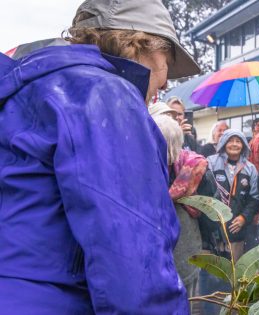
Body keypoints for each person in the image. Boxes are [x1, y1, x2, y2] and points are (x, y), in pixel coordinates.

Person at [0, 0, 200, 313]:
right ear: (142, 45)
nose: (165, 80)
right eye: (168, 60)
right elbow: (134, 261)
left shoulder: (28, 91)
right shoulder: (104, 94)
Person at [148, 102, 216, 298]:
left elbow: (209, 206)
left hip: (186, 245)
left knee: (184, 296)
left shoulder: (195, 166)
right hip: (158, 249)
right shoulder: (143, 166)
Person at [206, 129, 259, 261]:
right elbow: (205, 192)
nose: (234, 144)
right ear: (224, 143)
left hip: (237, 231)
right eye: (230, 140)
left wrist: (243, 218)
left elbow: (255, 199)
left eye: (238, 141)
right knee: (213, 273)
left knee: (234, 273)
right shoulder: (211, 162)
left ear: (243, 145)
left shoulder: (250, 168)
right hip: (214, 230)